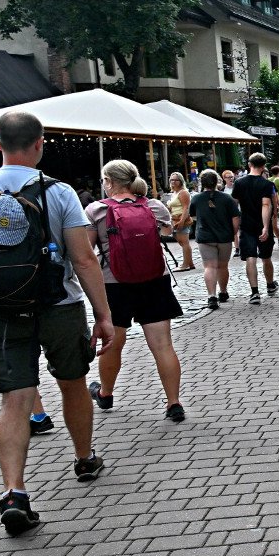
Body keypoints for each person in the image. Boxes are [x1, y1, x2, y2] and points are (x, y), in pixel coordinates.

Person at [0, 111, 114, 536]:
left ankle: (14, 491)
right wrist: (103, 315)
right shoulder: (58, 193)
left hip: (1, 309)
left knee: (15, 398)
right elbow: (83, 259)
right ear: (40, 143)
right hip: (58, 304)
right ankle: (84, 458)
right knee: (73, 382)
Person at [85, 160, 185, 422]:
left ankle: (105, 393)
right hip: (154, 280)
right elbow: (167, 231)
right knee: (163, 345)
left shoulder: (96, 210)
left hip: (114, 284)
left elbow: (88, 253)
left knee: (113, 344)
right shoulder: (153, 206)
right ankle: (173, 402)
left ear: (109, 182)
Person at [189, 169, 241, 309]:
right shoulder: (226, 198)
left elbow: (192, 216)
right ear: (217, 181)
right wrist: (233, 232)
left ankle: (211, 296)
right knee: (223, 266)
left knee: (209, 266)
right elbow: (236, 218)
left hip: (205, 237)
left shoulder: (196, 199)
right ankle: (223, 292)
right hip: (224, 237)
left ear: (202, 182)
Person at [231, 153, 278, 304]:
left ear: (249, 165)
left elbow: (234, 205)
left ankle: (254, 292)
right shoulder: (267, 184)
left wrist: (234, 224)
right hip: (261, 224)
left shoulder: (239, 183)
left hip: (246, 224)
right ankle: (270, 285)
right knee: (266, 257)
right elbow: (266, 205)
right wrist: (265, 227)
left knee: (250, 257)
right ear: (264, 166)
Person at [165, 172, 194, 271]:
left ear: (181, 181)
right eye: (171, 180)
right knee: (182, 242)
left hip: (181, 219)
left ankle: (185, 265)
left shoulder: (183, 192)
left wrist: (182, 221)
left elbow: (186, 208)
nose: (173, 182)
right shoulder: (174, 193)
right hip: (174, 219)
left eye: (176, 180)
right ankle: (190, 263)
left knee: (184, 242)